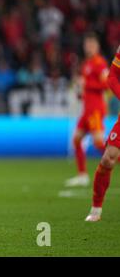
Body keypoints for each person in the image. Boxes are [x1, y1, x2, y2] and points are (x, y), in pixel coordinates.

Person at [66, 33, 109, 187]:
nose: (89, 47)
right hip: (87, 110)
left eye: (92, 44)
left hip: (96, 110)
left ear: (97, 46)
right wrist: (80, 93)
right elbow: (86, 89)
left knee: (99, 144)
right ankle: (82, 175)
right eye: (87, 44)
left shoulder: (100, 63)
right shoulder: (86, 64)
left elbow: (106, 85)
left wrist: (86, 85)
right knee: (76, 140)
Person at [85, 45, 120, 222]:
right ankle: (96, 209)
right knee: (108, 158)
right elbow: (112, 77)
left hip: (95, 109)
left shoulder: (96, 63)